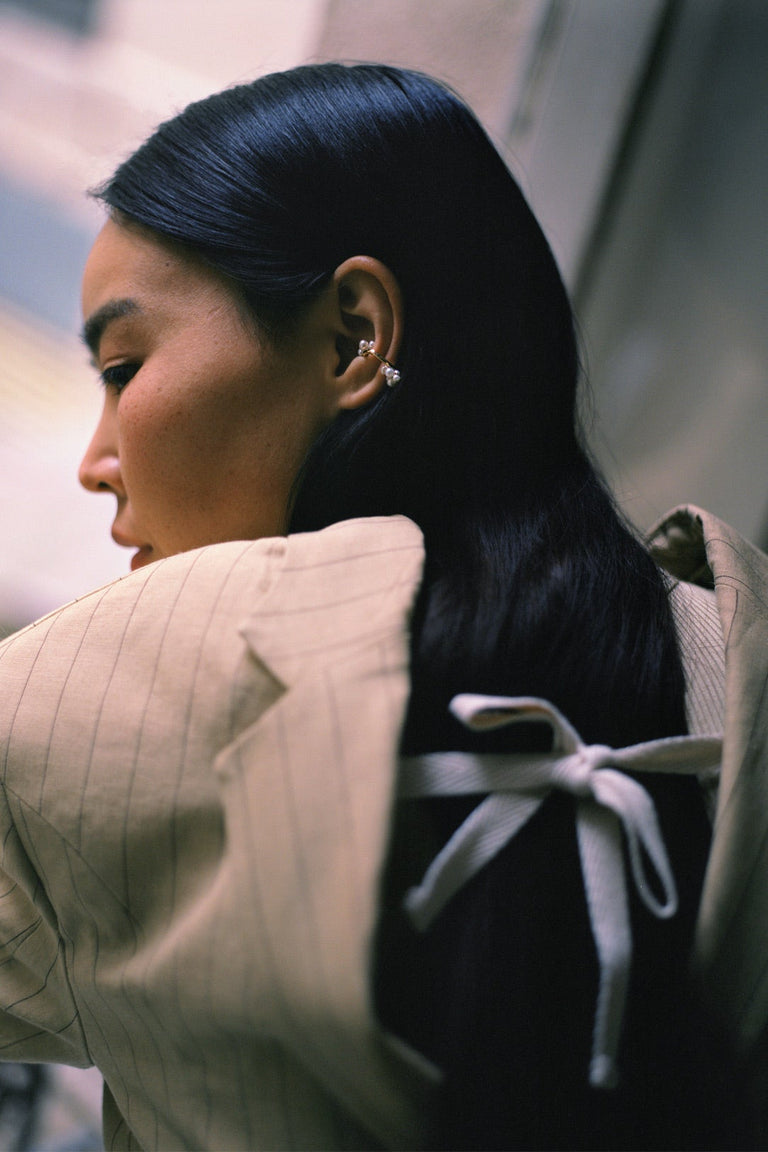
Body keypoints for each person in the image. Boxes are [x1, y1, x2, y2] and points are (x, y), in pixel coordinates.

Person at [0, 62, 766, 1151]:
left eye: (125, 366)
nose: (95, 460)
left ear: (356, 335)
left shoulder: (129, 680)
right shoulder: (725, 660)